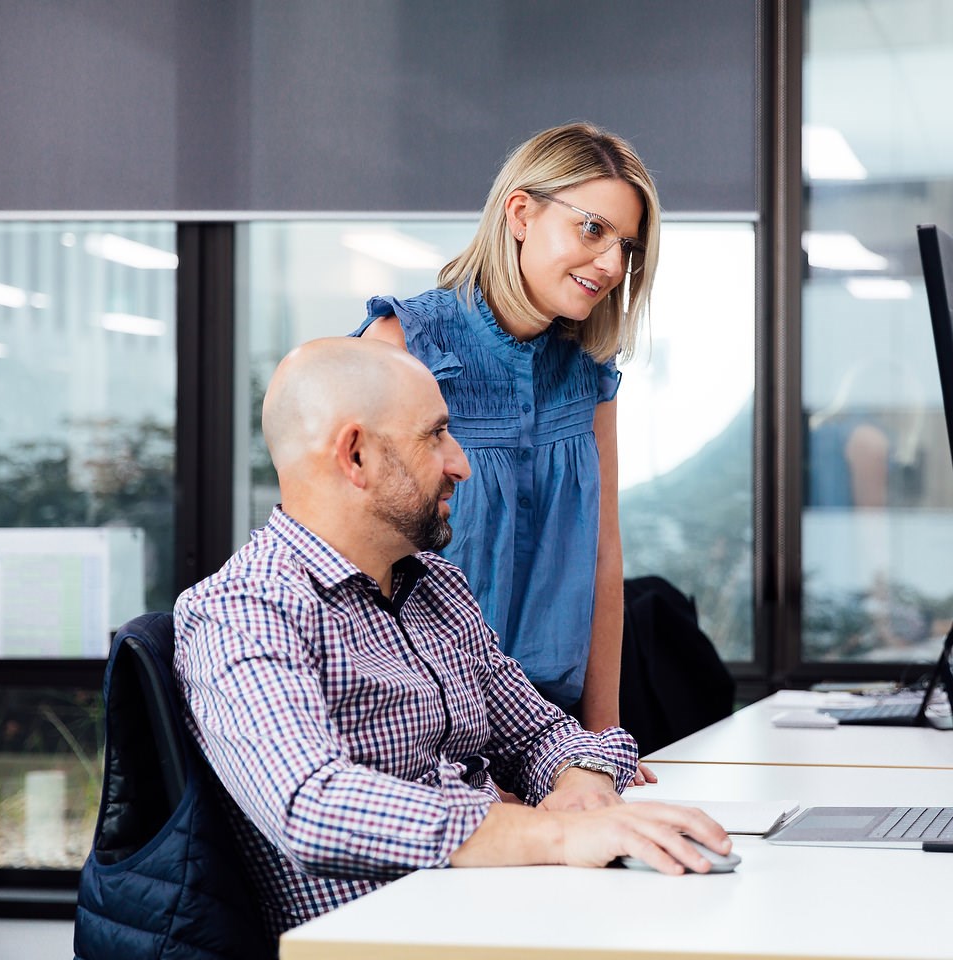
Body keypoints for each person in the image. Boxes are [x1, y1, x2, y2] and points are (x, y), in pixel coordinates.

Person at [174, 337, 728, 939]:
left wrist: (583, 790)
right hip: (400, 941)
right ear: (354, 456)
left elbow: (542, 732)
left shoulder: (436, 586)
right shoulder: (243, 610)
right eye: (434, 436)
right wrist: (553, 834)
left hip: (511, 911)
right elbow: (311, 805)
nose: (460, 462)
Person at [352, 123, 658, 779]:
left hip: (546, 733)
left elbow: (605, 553)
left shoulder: (589, 372)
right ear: (521, 214)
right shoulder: (403, 344)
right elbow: (352, 562)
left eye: (626, 246)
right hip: (420, 742)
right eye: (592, 229)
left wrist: (604, 744)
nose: (611, 264)